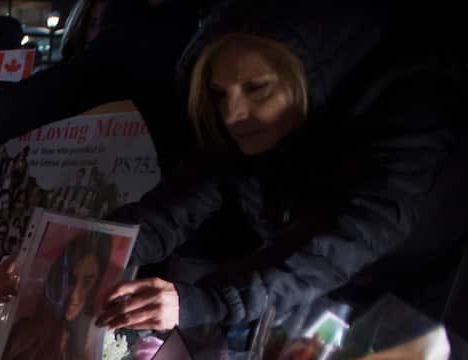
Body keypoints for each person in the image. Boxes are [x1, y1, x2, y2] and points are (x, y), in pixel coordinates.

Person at [95, 0, 468, 333]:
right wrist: (96, 246)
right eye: (219, 94)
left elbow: (346, 236)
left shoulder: (410, 107)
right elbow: (177, 203)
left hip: (422, 315)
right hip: (314, 303)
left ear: (308, 77)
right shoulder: (253, 133)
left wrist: (202, 302)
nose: (232, 113)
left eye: (257, 88)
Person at [0, 1, 206, 175]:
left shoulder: (214, 18)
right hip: (140, 200)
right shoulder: (126, 21)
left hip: (203, 206)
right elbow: (68, 83)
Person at [1, 229, 113, 360]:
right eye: (71, 280)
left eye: (86, 283)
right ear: (56, 278)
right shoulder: (22, 336)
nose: (74, 295)